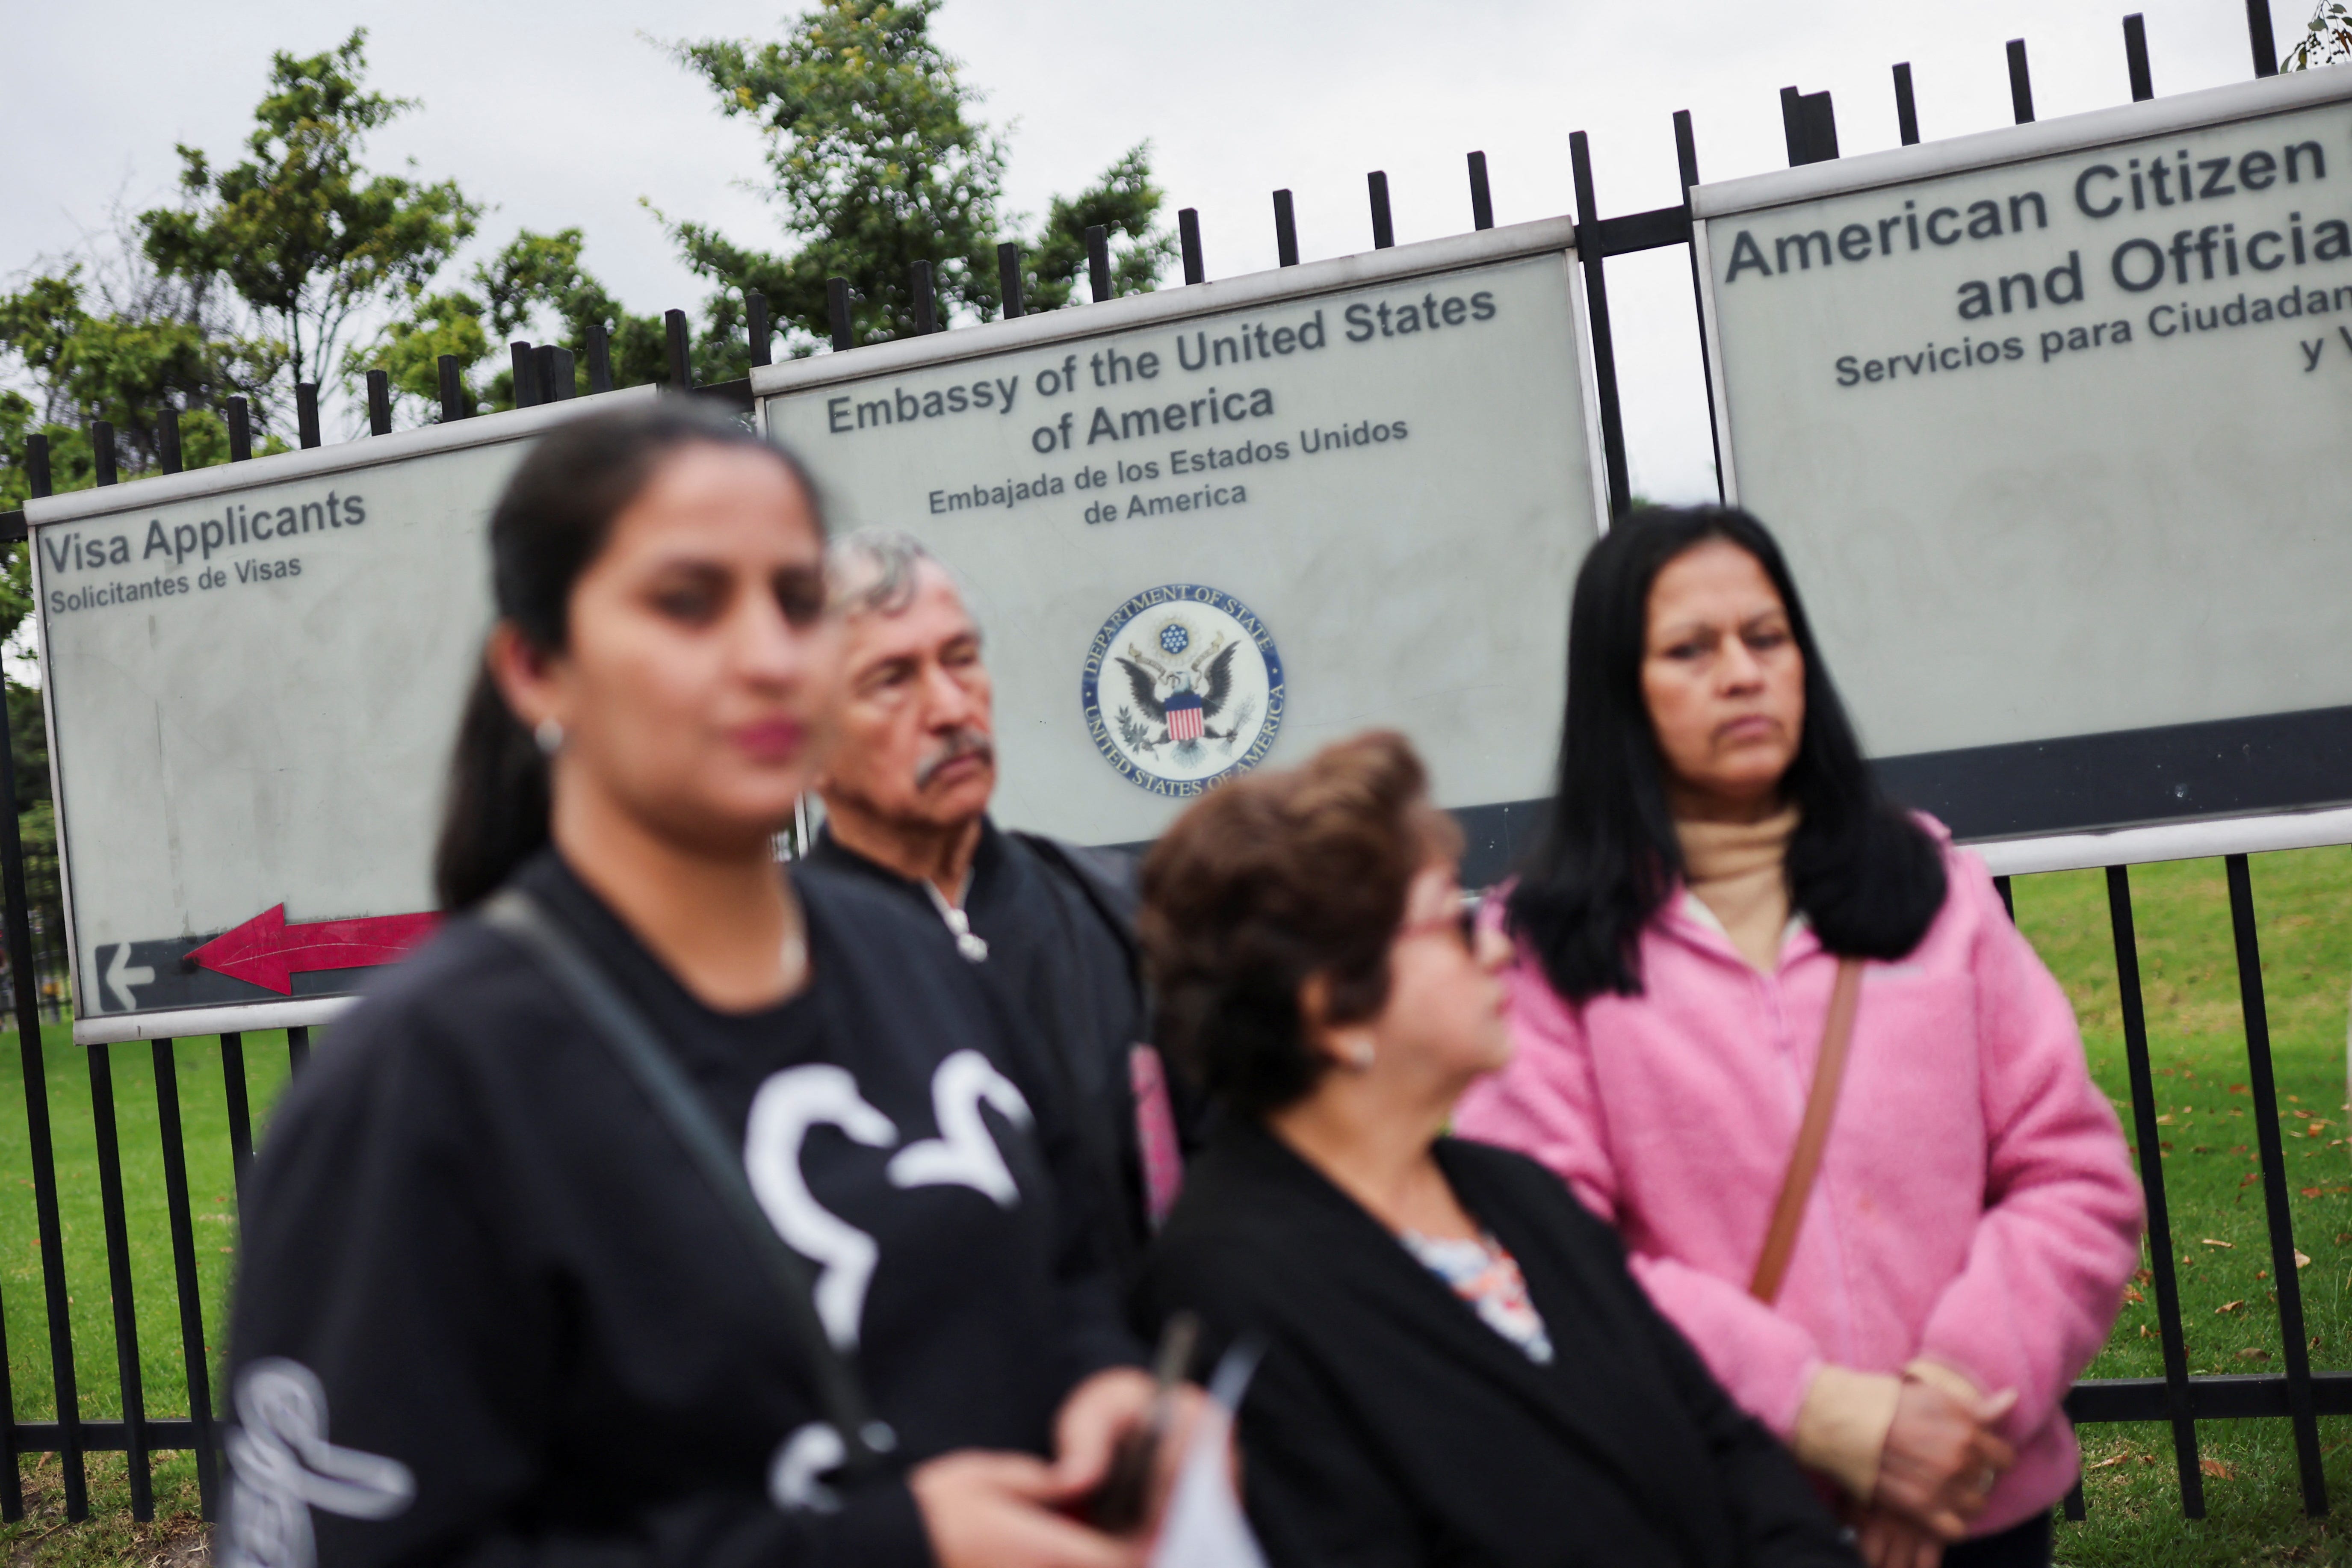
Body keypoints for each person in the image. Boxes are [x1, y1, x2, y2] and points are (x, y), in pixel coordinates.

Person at [222, 402, 1188, 1568]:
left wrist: (1107, 1389)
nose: (770, 654)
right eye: (687, 602)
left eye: (793, 600)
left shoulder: (914, 958)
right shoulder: (425, 1079)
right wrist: (892, 1542)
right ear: (536, 668)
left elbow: (1072, 1262)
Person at [1454, 506, 2142, 1568]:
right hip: (1716, 1516)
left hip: (1969, 1502)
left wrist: (1946, 1409)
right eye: (1690, 649)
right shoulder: (1539, 946)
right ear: (1616, 691)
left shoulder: (1933, 891)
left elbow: (2073, 1177)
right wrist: (1828, 1418)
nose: (1741, 673)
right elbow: (1550, 1249)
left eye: (1765, 638)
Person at [1137, 730, 1860, 1568]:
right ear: (1334, 1010)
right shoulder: (1227, 1293)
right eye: (1451, 923)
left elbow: (1729, 1450)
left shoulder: (1521, 1198)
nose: (1497, 947)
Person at [804, 529, 1196, 1278]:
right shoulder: (774, 968)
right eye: (891, 679)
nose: (951, 708)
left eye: (960, 659)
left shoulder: (1120, 915)